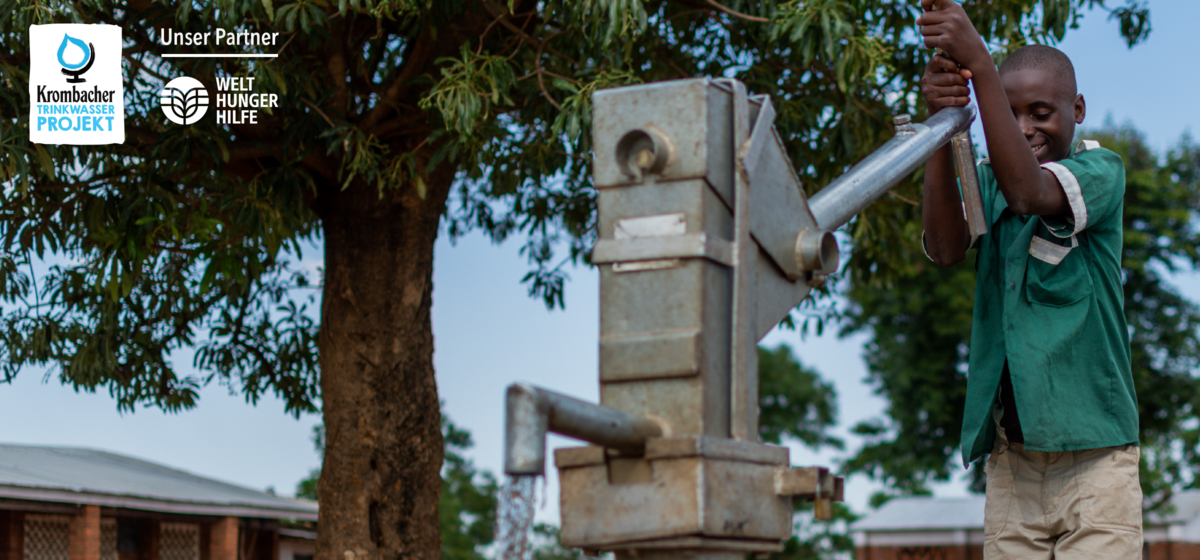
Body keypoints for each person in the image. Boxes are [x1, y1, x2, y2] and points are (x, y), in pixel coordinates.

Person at [916, 1, 1141, 558]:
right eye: (1010, 113)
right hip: (1012, 466)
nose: (1024, 128)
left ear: (1078, 108)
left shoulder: (1100, 172)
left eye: (1040, 111)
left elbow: (1030, 193)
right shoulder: (988, 184)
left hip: (1097, 462)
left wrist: (982, 68)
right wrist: (944, 127)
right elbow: (944, 247)